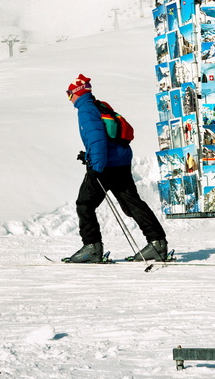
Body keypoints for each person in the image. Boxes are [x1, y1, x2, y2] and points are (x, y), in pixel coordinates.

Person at [66, 74, 168, 263]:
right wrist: (88, 155)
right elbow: (105, 138)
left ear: (77, 93)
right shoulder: (99, 105)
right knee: (132, 204)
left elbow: (97, 138)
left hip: (106, 165)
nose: (69, 98)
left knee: (84, 204)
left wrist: (96, 165)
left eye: (69, 93)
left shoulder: (86, 109)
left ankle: (92, 247)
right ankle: (157, 243)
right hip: (119, 161)